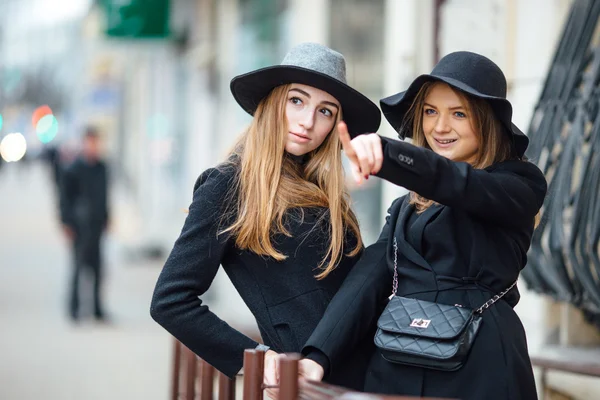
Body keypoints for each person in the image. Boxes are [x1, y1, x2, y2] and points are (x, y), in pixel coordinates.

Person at [294, 51, 548, 400]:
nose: (439, 127)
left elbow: (463, 185)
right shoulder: (404, 208)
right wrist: (317, 356)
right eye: (430, 111)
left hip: (479, 366)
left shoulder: (518, 184)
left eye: (459, 113)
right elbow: (367, 280)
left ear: (487, 121)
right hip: (398, 362)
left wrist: (388, 154)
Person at [149, 42, 381, 390]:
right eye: (297, 101)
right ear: (274, 102)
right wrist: (257, 357)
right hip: (309, 387)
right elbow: (170, 300)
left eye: (326, 111)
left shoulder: (329, 192)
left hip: (371, 377)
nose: (307, 121)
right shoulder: (230, 185)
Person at [60, 127, 110, 322]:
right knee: (78, 267)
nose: (94, 146)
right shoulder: (73, 169)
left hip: (97, 224)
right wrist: (66, 222)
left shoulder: (102, 168)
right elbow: (65, 199)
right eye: (90, 142)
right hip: (79, 226)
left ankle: (97, 309)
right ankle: (74, 309)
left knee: (98, 268)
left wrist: (107, 217)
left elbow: (105, 195)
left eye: (96, 142)